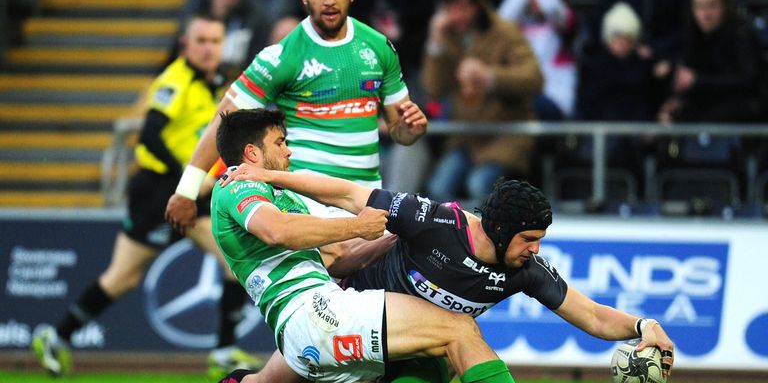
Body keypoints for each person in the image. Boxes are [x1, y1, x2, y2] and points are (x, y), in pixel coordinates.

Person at [218, 148, 677, 383]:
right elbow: (346, 194)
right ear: (500, 230)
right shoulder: (436, 220)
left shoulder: (526, 270)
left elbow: (593, 315)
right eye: (530, 239)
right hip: (351, 312)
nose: (536, 251)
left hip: (417, 351)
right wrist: (269, 175)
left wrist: (643, 325)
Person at [31, 14, 262, 379]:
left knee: (233, 261)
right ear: (186, 44)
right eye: (201, 41)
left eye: (215, 42)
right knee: (122, 277)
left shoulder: (216, 83)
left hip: (189, 192)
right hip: (156, 192)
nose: (208, 48)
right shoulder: (174, 81)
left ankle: (223, 350)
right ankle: (56, 336)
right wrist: (187, 178)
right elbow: (150, 135)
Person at [210, 108, 517, 383]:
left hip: (311, 326)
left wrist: (408, 230)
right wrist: (356, 225)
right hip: (314, 315)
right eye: (280, 143)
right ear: (251, 152)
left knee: (433, 356)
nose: (288, 151)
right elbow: (276, 231)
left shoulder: (282, 198)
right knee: (458, 330)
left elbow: (338, 259)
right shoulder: (238, 183)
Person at [165, 0, 427, 232]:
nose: (328, 0)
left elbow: (400, 131)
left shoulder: (379, 48)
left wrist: (411, 129)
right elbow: (223, 119)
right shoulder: (280, 57)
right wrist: (187, 190)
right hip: (304, 205)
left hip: (364, 202)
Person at [422, 0, 542, 206]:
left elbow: (534, 78)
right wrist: (435, 44)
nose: (457, 15)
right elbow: (434, 88)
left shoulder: (504, 32)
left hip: (506, 135)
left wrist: (491, 77)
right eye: (451, 8)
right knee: (438, 187)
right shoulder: (448, 35)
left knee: (478, 184)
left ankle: (488, 238)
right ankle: (449, 237)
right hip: (466, 137)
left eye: (463, 7)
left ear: (476, 6)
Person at [657, 0, 765, 124]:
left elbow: (749, 80)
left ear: (725, 5)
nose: (705, 14)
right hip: (706, 110)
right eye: (699, 6)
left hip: (738, 114)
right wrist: (678, 100)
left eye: (712, 5)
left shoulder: (741, 35)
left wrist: (697, 81)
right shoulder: (693, 38)